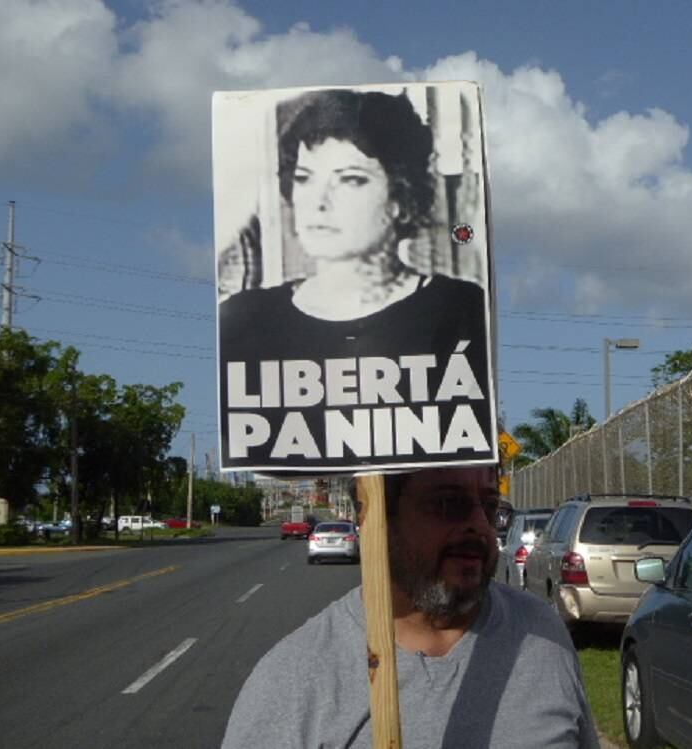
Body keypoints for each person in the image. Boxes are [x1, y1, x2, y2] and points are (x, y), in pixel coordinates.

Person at [221, 465, 601, 748]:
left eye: (489, 507)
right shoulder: (292, 680)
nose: (479, 526)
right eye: (448, 504)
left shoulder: (541, 634)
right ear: (377, 516)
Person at [218, 88, 493, 470]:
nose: (318, 201)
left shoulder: (462, 307)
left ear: (400, 197)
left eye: (349, 179)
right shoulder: (244, 318)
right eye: (303, 178)